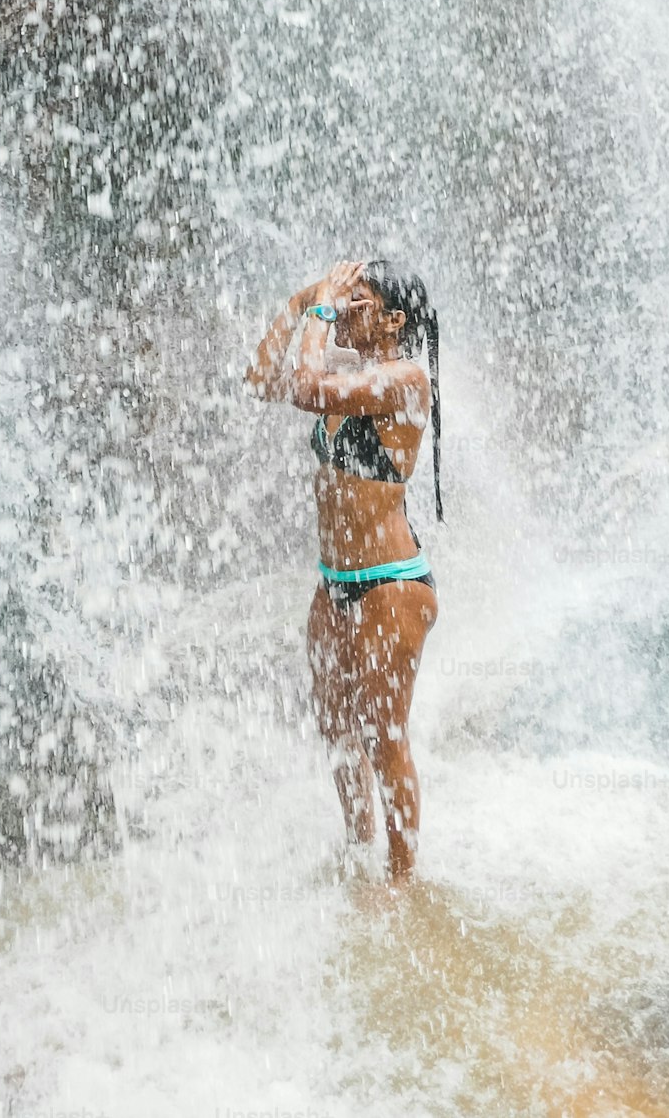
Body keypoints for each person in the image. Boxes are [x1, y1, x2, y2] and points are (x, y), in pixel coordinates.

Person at [243, 258, 443, 881]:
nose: (344, 309)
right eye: (345, 298)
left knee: (385, 738)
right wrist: (304, 297)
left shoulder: (406, 379)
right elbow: (262, 377)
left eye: (360, 301)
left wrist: (323, 310)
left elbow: (305, 388)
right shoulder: (356, 370)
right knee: (336, 727)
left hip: (391, 586)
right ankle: (360, 852)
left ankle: (402, 884)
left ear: (392, 320)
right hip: (335, 585)